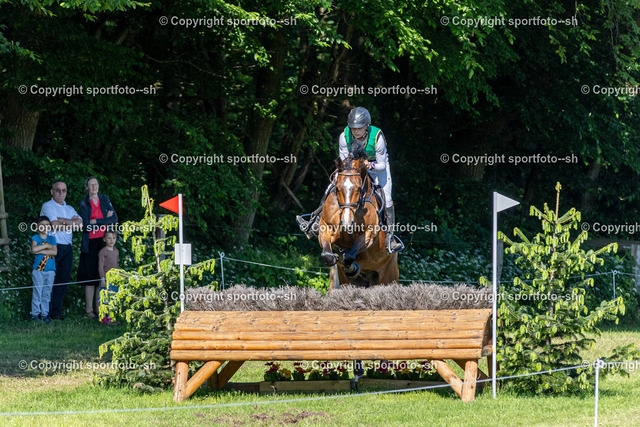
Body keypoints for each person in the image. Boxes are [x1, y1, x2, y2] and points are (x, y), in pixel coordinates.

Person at [297, 107, 403, 253]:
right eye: (353, 128)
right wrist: (353, 169)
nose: (355, 131)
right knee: (332, 185)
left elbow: (382, 165)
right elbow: (343, 160)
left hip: (376, 168)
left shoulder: (377, 137)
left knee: (387, 197)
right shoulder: (344, 136)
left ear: (367, 126)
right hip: (353, 168)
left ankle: (389, 238)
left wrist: (369, 165)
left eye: (359, 128)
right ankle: (314, 223)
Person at [40, 180, 83, 320]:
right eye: (58, 190)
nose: (61, 193)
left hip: (67, 248)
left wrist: (61, 220)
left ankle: (56, 312)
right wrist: (71, 222)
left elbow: (80, 224)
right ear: (52, 191)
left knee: (62, 281)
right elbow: (54, 225)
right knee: (48, 281)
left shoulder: (70, 208)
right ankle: (43, 313)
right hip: (52, 245)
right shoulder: (48, 206)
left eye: (64, 190)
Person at [78, 177, 118, 319]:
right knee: (90, 275)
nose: (94, 186)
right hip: (90, 242)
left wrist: (96, 220)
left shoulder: (104, 199)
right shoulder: (83, 203)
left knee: (102, 274)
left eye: (96, 184)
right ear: (87, 187)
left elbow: (114, 219)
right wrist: (103, 221)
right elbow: (86, 225)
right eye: (91, 185)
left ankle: (100, 309)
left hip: (104, 241)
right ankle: (89, 310)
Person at [30, 216, 57, 322]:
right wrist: (47, 246)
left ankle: (44, 314)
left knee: (47, 293)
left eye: (47, 225)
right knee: (37, 292)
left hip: (50, 270)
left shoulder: (52, 239)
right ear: (37, 227)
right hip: (38, 271)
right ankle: (35, 314)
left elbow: (54, 252)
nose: (45, 227)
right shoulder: (36, 238)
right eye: (42, 225)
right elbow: (33, 249)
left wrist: (40, 250)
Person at [98, 229, 120, 325]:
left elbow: (116, 264)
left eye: (114, 238)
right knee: (104, 299)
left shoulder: (116, 251)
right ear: (104, 239)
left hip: (114, 279)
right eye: (109, 238)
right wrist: (102, 278)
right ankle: (103, 317)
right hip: (106, 279)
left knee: (113, 298)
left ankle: (111, 317)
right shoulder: (103, 252)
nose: (112, 240)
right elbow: (100, 266)